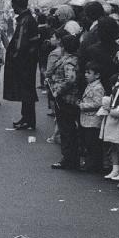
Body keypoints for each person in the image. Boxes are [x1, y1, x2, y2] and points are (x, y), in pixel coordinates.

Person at [4, 0, 39, 130]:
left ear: (17, 5)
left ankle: (28, 120)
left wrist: (14, 58)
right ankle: (27, 118)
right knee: (27, 92)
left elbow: (20, 44)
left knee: (27, 92)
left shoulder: (25, 21)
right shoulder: (27, 19)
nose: (12, 7)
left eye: (13, 4)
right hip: (28, 61)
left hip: (25, 63)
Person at [48, 34, 80, 170]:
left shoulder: (69, 61)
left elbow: (70, 79)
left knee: (67, 129)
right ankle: (69, 158)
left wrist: (58, 90)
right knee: (67, 129)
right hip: (65, 98)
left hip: (66, 99)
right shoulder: (70, 59)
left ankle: (69, 159)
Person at [78, 62, 105, 173]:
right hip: (87, 119)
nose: (86, 75)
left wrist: (82, 106)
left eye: (89, 73)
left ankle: (95, 165)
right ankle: (91, 163)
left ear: (97, 75)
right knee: (88, 142)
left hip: (93, 120)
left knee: (93, 143)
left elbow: (98, 103)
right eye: (85, 72)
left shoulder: (98, 87)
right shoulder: (90, 85)